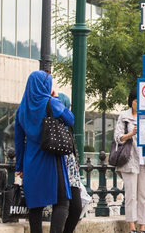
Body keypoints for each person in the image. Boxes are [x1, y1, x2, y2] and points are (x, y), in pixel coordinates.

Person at [15, 70, 75, 233]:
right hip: (51, 159)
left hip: (31, 161)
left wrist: (19, 166)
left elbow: (19, 141)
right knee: (61, 201)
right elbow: (70, 119)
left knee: (35, 205)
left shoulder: (21, 109)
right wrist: (55, 98)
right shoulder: (51, 102)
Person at [115, 87, 145, 233]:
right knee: (131, 195)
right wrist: (131, 134)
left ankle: (142, 227)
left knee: (143, 196)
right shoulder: (124, 117)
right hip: (130, 161)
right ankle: (132, 227)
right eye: (136, 101)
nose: (138, 104)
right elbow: (118, 138)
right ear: (131, 101)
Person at [57, 94, 84, 233]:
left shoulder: (69, 126)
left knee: (76, 208)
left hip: (72, 172)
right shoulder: (54, 124)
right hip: (60, 168)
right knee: (62, 207)